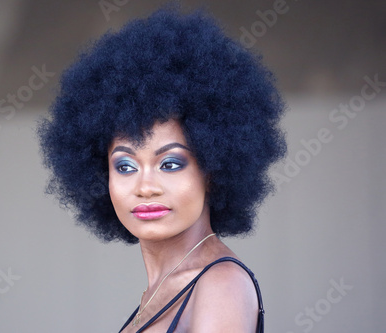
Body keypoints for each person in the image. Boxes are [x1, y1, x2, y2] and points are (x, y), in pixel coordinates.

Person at [38, 5, 285, 332]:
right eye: (125, 166)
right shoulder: (157, 292)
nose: (146, 186)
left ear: (212, 170)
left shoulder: (220, 285)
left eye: (170, 163)